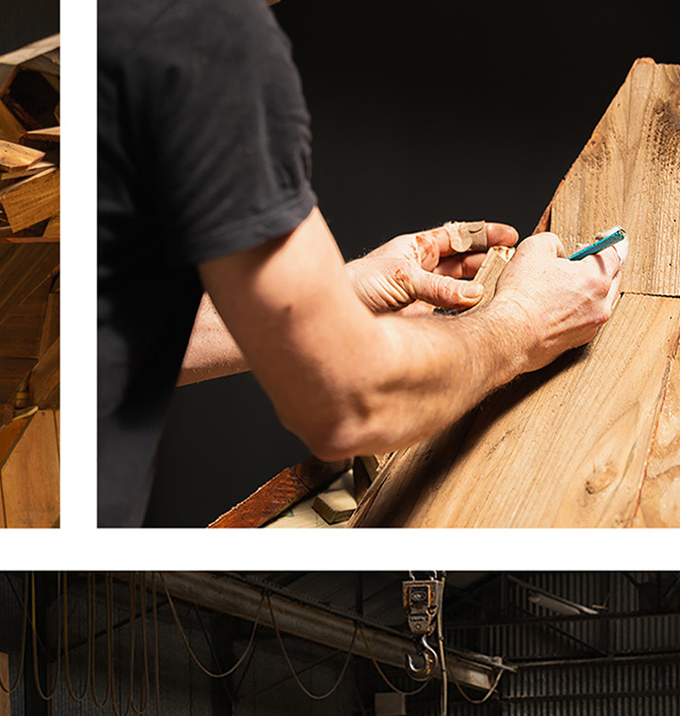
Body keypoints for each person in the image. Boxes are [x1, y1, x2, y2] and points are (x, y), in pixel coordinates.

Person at [97, 0, 627, 526]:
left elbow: (99, 329)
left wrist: (337, 294)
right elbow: (351, 402)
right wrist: (524, 321)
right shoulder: (210, 33)